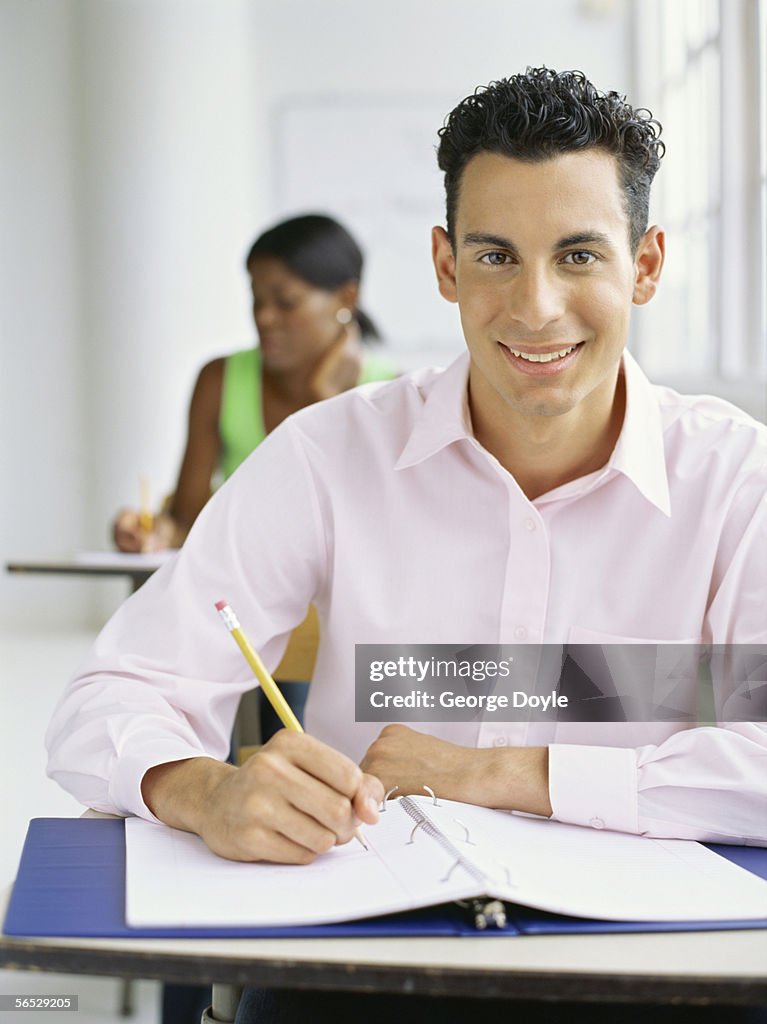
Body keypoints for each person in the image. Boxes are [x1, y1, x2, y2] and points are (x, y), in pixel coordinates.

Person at [47, 68, 766, 1023]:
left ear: (644, 264)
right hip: (360, 961)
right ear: (443, 265)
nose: (536, 306)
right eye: (496, 255)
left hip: (650, 965)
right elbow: (114, 694)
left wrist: (504, 776)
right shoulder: (325, 453)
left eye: (580, 255)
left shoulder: (732, 474)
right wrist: (203, 790)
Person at [113, 213, 396, 553]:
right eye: (257, 299)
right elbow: (186, 522)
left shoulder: (391, 394)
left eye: (286, 302)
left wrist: (325, 401)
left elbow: (374, 535)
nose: (264, 317)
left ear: (347, 298)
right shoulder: (220, 380)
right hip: (238, 596)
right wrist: (154, 533)